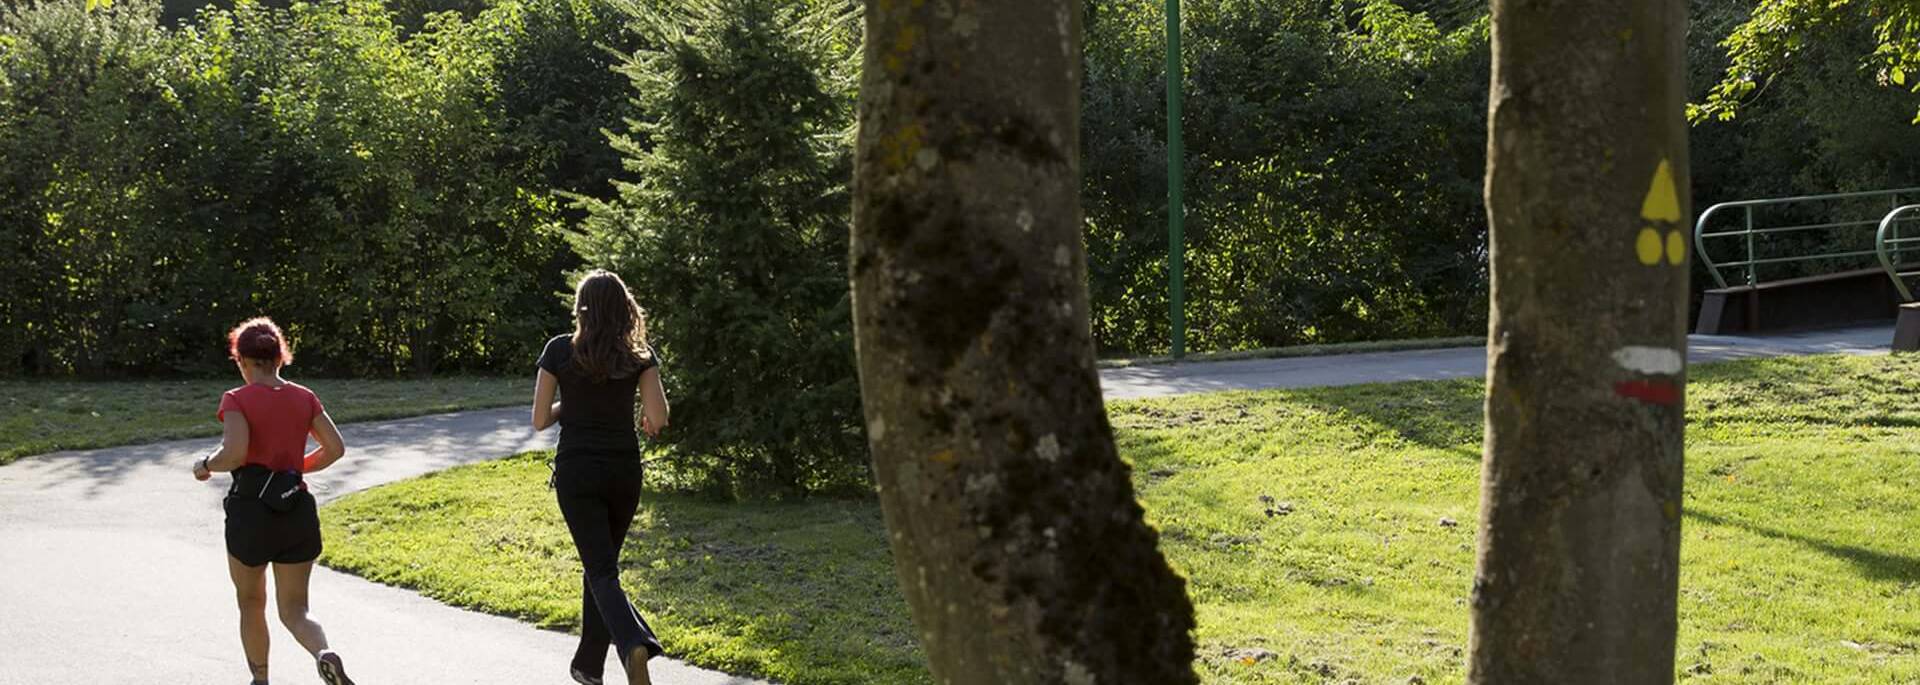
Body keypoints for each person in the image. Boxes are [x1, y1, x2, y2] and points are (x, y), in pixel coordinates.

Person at [192, 317, 356, 685]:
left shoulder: (237, 399)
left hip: (251, 512)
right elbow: (335, 448)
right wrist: (296, 469)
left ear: (242, 361)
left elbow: (234, 454)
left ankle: (261, 680)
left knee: (252, 603)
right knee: (296, 610)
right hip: (295, 508)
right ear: (281, 358)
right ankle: (323, 653)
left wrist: (205, 465)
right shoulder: (304, 397)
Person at [534, 271, 670, 685]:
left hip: (578, 472)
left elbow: (540, 420)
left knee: (600, 570)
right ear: (623, 309)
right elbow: (659, 418)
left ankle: (634, 644)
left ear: (581, 309)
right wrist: (642, 412)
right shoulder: (639, 355)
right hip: (622, 472)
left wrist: (568, 406)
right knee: (601, 566)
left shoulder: (558, 350)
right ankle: (588, 667)